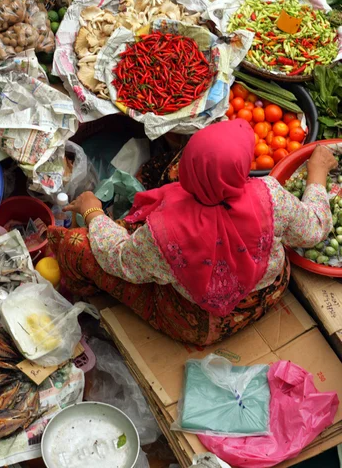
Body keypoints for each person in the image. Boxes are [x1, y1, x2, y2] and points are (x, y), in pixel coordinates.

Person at [47, 119, 336, 345]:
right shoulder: (272, 196)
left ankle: (89, 295)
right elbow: (314, 229)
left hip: (199, 323)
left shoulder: (163, 232)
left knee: (75, 244)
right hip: (267, 294)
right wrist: (317, 173)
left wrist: (92, 211)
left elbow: (119, 259)